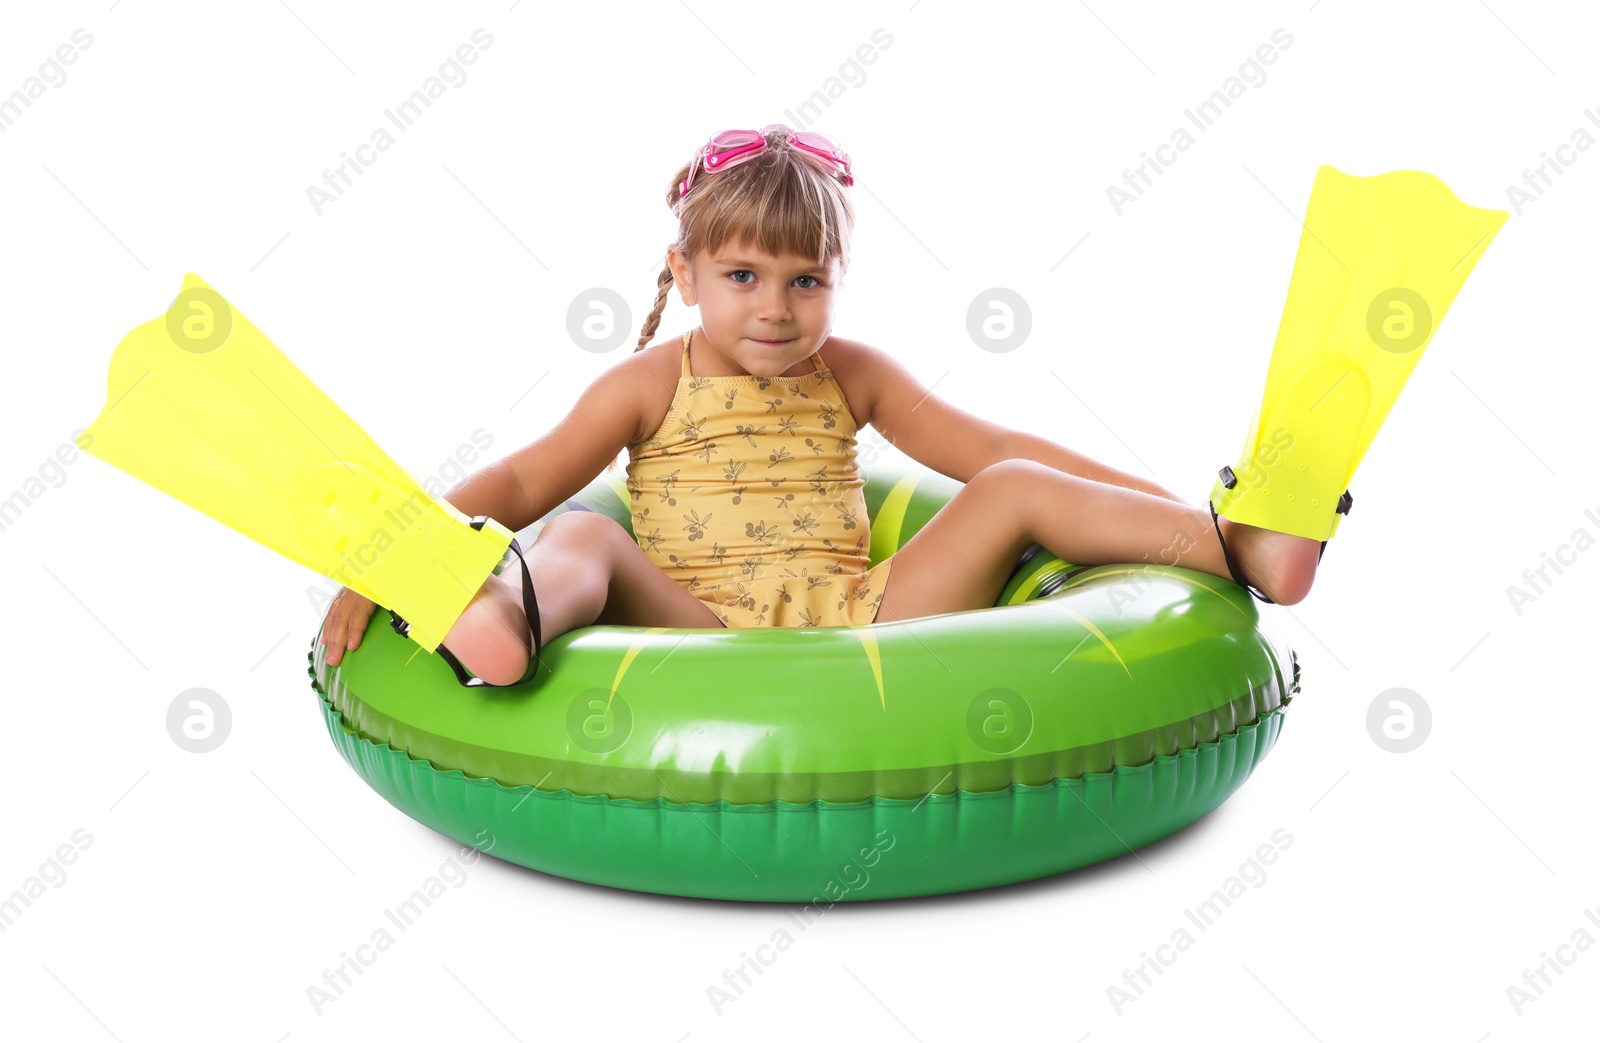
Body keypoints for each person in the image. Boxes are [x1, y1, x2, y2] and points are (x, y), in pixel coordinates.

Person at [318, 123, 1323, 686]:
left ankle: (1240, 546)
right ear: (686, 271)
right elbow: (524, 477)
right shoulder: (646, 384)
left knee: (1014, 483)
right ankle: (501, 616)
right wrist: (396, 550)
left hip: (859, 617)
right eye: (744, 275)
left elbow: (1002, 449)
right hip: (699, 622)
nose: (776, 308)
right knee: (581, 531)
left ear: (839, 276)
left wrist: (1173, 510)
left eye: (807, 280)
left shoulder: (853, 370)